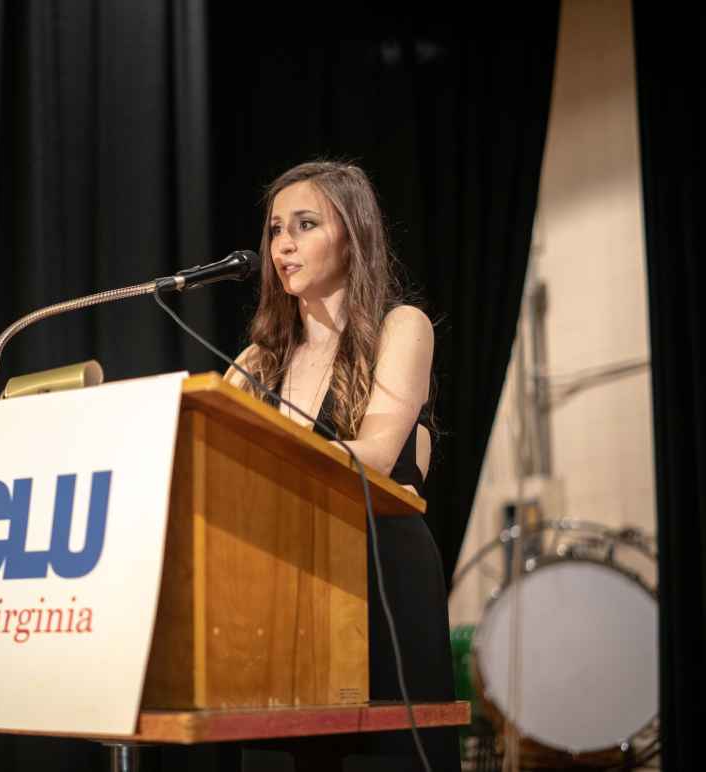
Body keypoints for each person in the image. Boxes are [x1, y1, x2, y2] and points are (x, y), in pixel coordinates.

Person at [224, 159, 460, 771]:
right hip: (284, 582)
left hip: (380, 575)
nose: (282, 245)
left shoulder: (397, 327)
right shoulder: (260, 357)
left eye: (305, 225)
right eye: (276, 228)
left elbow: (377, 456)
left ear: (353, 235)